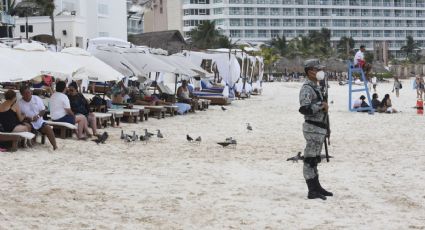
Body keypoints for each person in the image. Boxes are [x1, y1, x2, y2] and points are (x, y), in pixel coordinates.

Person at [298, 59, 333, 200]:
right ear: (310, 71)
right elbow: (304, 109)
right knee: (310, 160)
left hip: (319, 128)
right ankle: (311, 190)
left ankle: (317, 186)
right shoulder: (307, 88)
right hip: (312, 128)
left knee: (315, 159)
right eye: (317, 69)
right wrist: (321, 105)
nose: (320, 72)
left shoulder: (316, 86)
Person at [18, 86, 58, 150]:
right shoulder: (19, 103)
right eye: (25, 93)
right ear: (22, 94)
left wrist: (38, 116)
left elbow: (43, 110)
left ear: (31, 92)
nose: (28, 94)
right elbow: (19, 115)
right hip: (28, 121)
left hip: (39, 121)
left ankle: (55, 146)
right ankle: (27, 143)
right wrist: (27, 118)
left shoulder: (36, 98)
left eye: (29, 92)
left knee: (48, 128)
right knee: (27, 126)